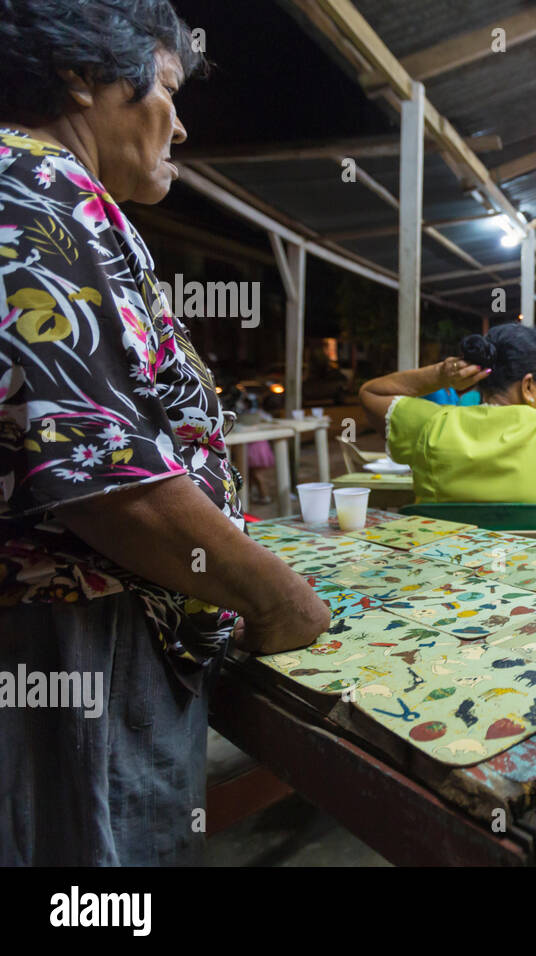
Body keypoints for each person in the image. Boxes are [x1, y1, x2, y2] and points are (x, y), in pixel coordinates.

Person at [0, 0, 330, 866]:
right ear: (82, 77)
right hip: (71, 633)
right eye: (170, 92)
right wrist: (275, 597)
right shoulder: (36, 189)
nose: (179, 127)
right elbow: (102, 473)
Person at [360, 324, 536, 510]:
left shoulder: (432, 425)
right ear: (528, 386)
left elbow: (370, 393)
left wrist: (441, 374)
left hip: (449, 567)